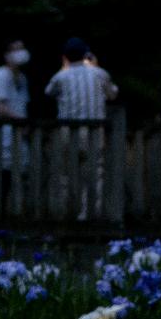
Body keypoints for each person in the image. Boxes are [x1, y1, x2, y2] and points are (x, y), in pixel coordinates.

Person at [44, 37, 116, 220]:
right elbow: (113, 93)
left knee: (64, 173)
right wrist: (96, 65)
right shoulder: (99, 73)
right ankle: (90, 213)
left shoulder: (61, 76)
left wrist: (64, 67)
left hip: (67, 131)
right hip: (94, 131)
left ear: (65, 57)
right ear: (86, 54)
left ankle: (63, 210)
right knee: (95, 173)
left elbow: (48, 92)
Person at [0, 39, 30, 173]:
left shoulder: (22, 78)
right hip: (2, 135)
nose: (21, 53)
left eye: (22, 49)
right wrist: (21, 121)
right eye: (16, 50)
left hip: (19, 138)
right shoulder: (0, 75)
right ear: (7, 55)